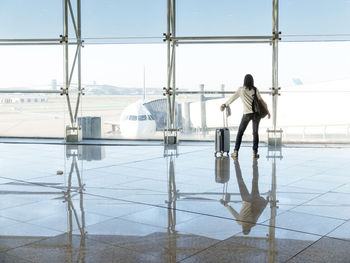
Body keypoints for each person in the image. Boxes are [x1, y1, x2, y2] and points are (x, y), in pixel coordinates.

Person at [220, 74, 270, 159]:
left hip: (247, 114)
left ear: (244, 81)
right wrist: (268, 112)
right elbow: (262, 102)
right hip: (256, 114)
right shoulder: (255, 89)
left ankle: (235, 151)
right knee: (255, 133)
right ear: (252, 81)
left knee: (240, 133)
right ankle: (255, 153)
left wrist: (225, 104)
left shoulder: (241, 90)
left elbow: (233, 98)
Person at [220, 158, 269, 235]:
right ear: (242, 229)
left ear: (249, 229)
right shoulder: (239, 222)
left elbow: (258, 213)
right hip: (246, 200)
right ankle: (236, 163)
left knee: (255, 180)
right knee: (240, 180)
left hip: (254, 200)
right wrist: (225, 205)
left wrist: (266, 203)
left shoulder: (253, 223)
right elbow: (233, 212)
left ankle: (255, 162)